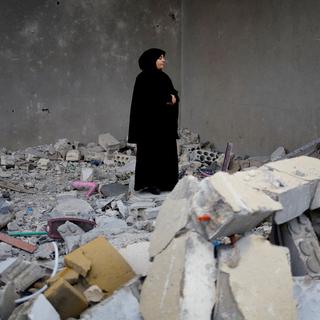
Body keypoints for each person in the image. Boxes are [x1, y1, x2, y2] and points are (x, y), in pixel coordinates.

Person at [128, 48, 179, 195]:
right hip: (149, 127)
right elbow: (147, 101)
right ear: (151, 60)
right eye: (160, 57)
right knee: (151, 154)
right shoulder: (142, 78)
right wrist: (168, 99)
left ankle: (167, 183)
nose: (164, 60)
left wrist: (174, 98)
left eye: (164, 57)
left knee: (166, 153)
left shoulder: (164, 77)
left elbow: (172, 93)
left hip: (165, 125)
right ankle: (151, 183)